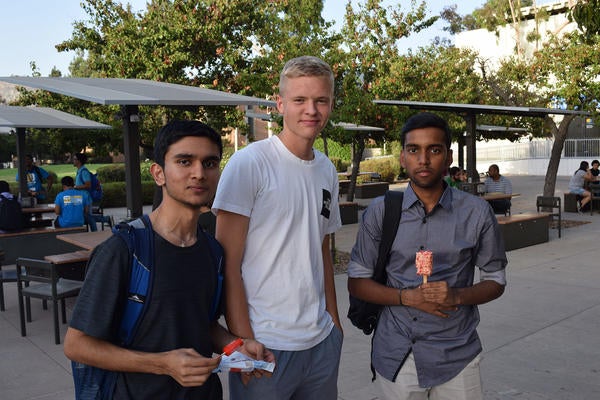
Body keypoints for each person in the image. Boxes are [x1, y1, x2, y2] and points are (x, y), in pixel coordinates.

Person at [64, 120, 274, 399]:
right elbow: (77, 345)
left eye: (209, 163)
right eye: (185, 161)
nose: (199, 173)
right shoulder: (123, 250)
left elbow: (202, 324)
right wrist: (162, 364)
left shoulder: (212, 251)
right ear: (158, 173)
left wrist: (235, 346)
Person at [347, 112, 507, 400]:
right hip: (397, 353)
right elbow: (357, 282)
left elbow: (495, 279)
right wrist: (407, 297)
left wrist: (457, 297)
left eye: (434, 150)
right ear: (402, 158)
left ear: (447, 158)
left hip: (456, 353)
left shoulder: (476, 212)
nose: (423, 159)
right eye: (413, 150)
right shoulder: (380, 212)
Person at [213, 55, 343, 400]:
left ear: (331, 104)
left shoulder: (327, 169)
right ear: (280, 104)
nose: (311, 110)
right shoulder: (249, 164)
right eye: (300, 100)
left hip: (320, 343)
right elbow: (227, 263)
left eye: (321, 100)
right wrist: (243, 342)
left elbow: (321, 250)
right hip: (265, 347)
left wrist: (335, 323)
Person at [72, 152, 99, 231]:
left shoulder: (84, 171)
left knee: (89, 217)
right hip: (79, 198)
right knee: (84, 216)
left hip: (85, 198)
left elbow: (88, 185)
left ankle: (96, 232)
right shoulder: (79, 171)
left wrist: (76, 187)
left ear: (79, 161)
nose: (73, 161)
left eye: (74, 159)